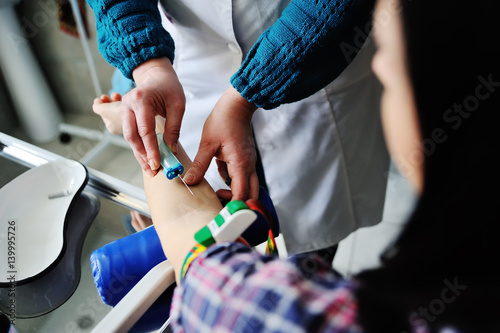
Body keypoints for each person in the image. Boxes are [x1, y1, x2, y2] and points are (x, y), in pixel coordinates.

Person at [139, 0, 500, 331]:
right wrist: (148, 63)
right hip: (197, 79)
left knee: (313, 240)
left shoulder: (275, 312)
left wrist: (150, 128)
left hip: (311, 102)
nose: (379, 64)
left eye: (389, 69)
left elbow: (206, 270)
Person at [86, 0, 390, 257]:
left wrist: (243, 99)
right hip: (192, 75)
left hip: (313, 69)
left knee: (312, 249)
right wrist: (150, 67)